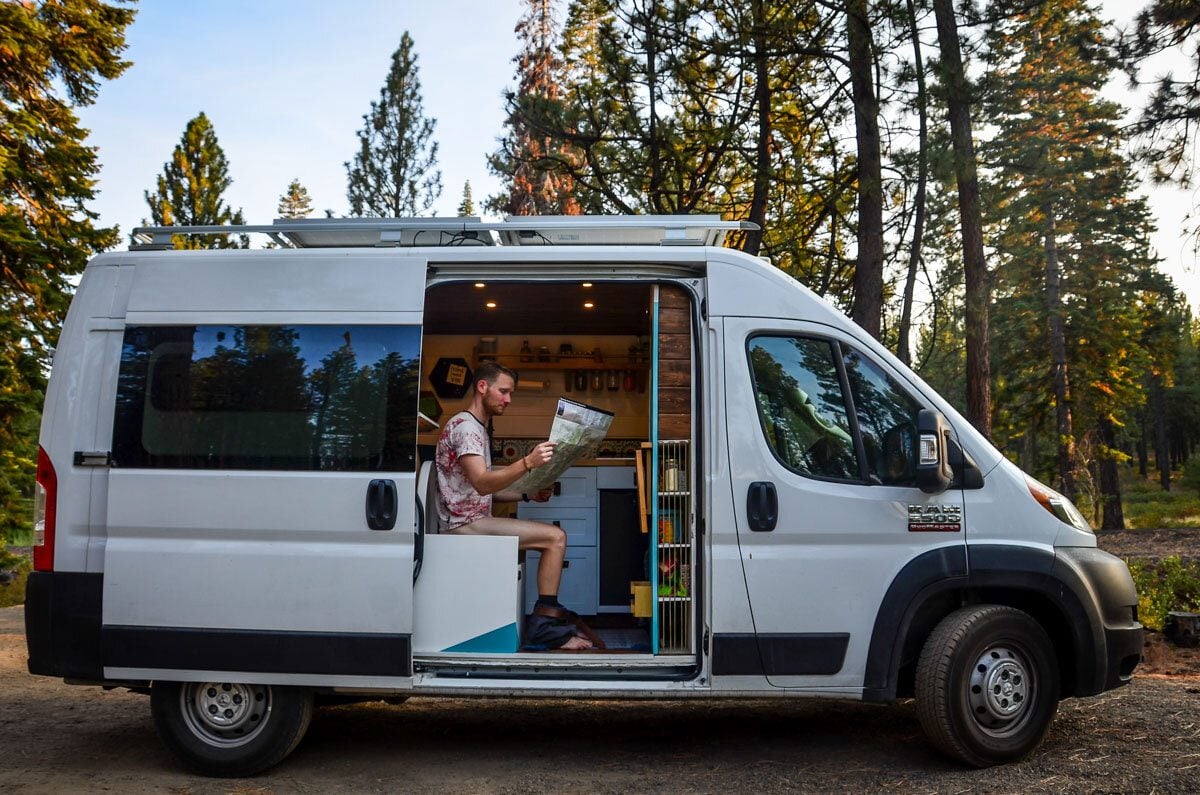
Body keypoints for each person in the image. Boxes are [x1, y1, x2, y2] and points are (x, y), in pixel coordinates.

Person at [435, 361, 601, 651]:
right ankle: (545, 628)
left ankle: (545, 623)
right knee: (555, 538)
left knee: (552, 538)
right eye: (504, 391)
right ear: (482, 387)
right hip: (462, 526)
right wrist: (527, 463)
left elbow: (481, 491)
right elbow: (484, 483)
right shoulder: (465, 428)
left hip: (470, 518)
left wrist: (527, 495)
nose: (508, 400)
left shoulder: (477, 428)